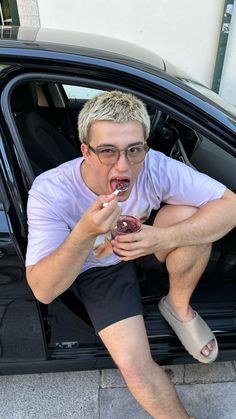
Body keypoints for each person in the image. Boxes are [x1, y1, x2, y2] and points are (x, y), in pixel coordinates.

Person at [25, 90, 236, 419]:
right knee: (135, 365)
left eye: (133, 150)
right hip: (95, 267)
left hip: (142, 242)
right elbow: (43, 288)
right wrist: (84, 231)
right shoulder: (51, 190)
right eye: (107, 151)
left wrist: (161, 237)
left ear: (145, 147)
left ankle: (178, 306)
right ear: (86, 151)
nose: (123, 165)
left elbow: (230, 205)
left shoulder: (153, 166)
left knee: (189, 216)